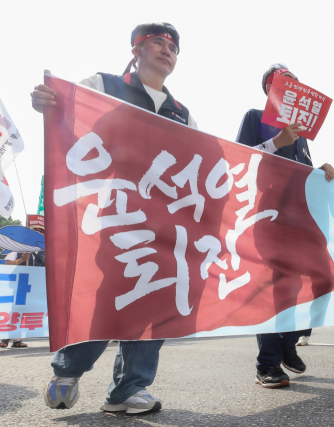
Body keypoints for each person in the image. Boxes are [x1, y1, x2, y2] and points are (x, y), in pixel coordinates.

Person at [31, 22, 196, 414]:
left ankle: (127, 390)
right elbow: (66, 109)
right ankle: (68, 370)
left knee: (153, 299)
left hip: (162, 222)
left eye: (173, 46)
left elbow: (203, 162)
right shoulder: (103, 85)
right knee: (111, 296)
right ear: (135, 48)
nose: (166, 50)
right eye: (157, 42)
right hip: (114, 213)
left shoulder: (182, 112)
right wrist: (47, 103)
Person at [236, 63, 334, 388]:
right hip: (268, 218)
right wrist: (277, 142)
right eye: (283, 82)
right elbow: (240, 160)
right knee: (272, 289)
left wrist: (321, 170)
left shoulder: (302, 135)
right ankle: (267, 364)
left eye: (295, 82)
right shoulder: (255, 118)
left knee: (321, 280)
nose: (291, 87)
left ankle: (287, 344)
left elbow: (304, 173)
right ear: (269, 88)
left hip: (301, 221)